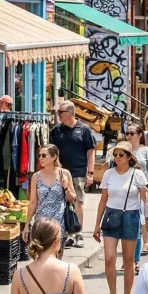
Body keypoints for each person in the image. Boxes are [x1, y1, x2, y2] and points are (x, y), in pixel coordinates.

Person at [92, 141, 148, 294]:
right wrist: (97, 224)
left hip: (130, 216)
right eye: (115, 155)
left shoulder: (137, 175)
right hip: (111, 216)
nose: (117, 158)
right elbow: (103, 199)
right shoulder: (109, 174)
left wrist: (147, 217)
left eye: (121, 155)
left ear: (129, 157)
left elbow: (145, 200)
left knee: (128, 260)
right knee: (109, 258)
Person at [50, 101, 96, 248]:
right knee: (62, 203)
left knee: (78, 202)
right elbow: (52, 151)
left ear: (69, 113)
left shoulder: (84, 129)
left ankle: (78, 233)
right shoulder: (56, 131)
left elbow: (91, 151)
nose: (57, 115)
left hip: (77, 172)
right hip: (60, 172)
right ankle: (66, 233)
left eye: (60, 112)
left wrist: (90, 172)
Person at [26, 144, 76, 246]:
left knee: (57, 255)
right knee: (40, 255)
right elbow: (33, 202)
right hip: (41, 221)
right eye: (39, 155)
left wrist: (65, 187)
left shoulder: (64, 174)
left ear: (53, 157)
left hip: (58, 221)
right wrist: (27, 224)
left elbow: (73, 199)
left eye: (44, 155)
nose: (40, 158)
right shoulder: (36, 176)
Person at [126, 122, 148, 266]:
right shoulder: (123, 150)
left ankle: (146, 242)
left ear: (139, 135)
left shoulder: (147, 151)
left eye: (132, 133)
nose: (129, 136)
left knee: (143, 217)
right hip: (127, 188)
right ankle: (133, 249)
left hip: (144, 187)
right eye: (127, 133)